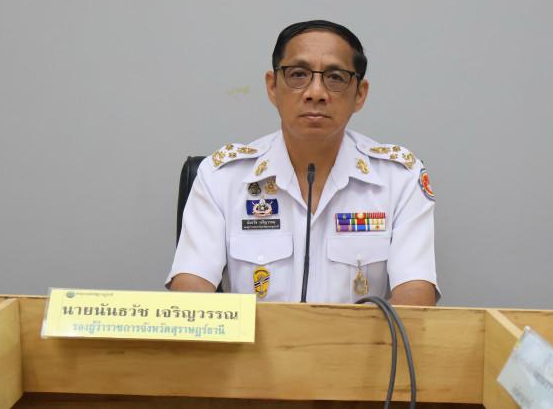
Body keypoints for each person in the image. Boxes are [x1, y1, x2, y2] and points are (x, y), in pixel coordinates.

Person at [166, 20, 438, 305]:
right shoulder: (222, 177)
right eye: (298, 75)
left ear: (359, 94)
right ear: (272, 87)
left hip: (358, 336)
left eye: (335, 78)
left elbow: (416, 295)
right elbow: (190, 289)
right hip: (254, 336)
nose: (315, 93)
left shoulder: (399, 178)